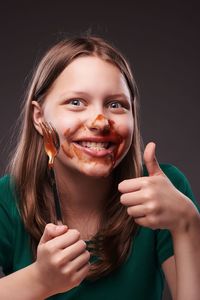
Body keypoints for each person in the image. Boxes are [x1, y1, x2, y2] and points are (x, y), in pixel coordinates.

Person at [0, 36, 199, 300]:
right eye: (76, 102)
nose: (100, 122)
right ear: (39, 118)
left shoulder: (162, 191)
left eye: (115, 104)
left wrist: (187, 223)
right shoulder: (6, 199)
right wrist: (39, 280)